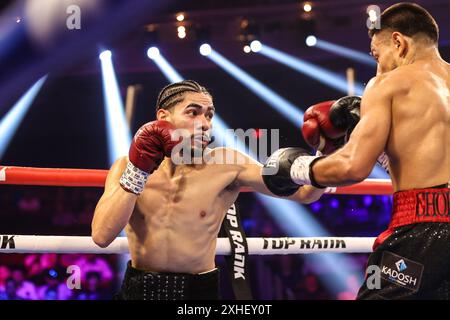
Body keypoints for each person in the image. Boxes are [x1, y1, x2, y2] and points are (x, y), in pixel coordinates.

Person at [262, 3, 450, 299]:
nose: (377, 67)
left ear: (399, 43)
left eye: (377, 55)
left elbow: (353, 167)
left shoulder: (387, 83)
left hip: (422, 229)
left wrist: (296, 167)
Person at [91, 80, 325, 300]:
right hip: (138, 289)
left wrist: (328, 149)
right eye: (193, 112)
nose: (205, 124)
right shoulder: (125, 166)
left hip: (199, 292)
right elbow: (102, 236)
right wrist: (139, 171)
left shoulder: (227, 163)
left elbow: (306, 194)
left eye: (209, 115)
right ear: (163, 117)